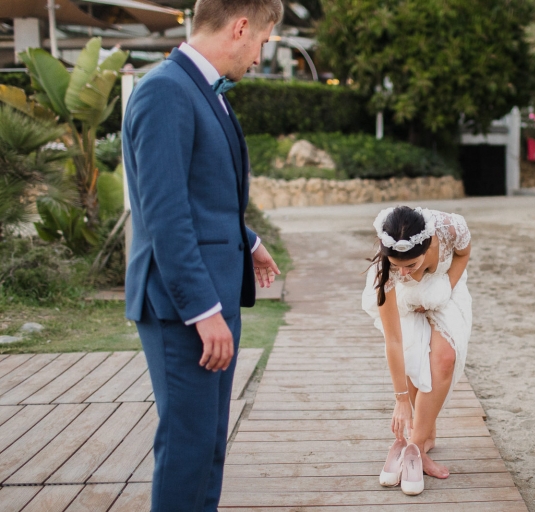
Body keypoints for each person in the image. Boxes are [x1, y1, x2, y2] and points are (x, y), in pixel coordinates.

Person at [121, 1, 283, 510]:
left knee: (209, 446)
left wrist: (248, 241)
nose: (259, 56)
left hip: (214, 298)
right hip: (184, 309)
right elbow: (164, 215)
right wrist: (202, 311)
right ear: (240, 27)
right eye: (261, 41)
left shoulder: (201, 90)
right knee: (188, 448)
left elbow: (201, 194)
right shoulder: (165, 92)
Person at [362, 205, 472, 496]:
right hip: (405, 298)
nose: (403, 271)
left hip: (446, 284)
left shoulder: (452, 228)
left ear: (428, 245)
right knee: (413, 356)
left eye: (410, 265)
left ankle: (419, 442)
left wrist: (444, 287)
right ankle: (420, 444)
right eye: (396, 264)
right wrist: (400, 400)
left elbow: (463, 254)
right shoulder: (389, 274)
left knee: (444, 359)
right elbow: (394, 340)